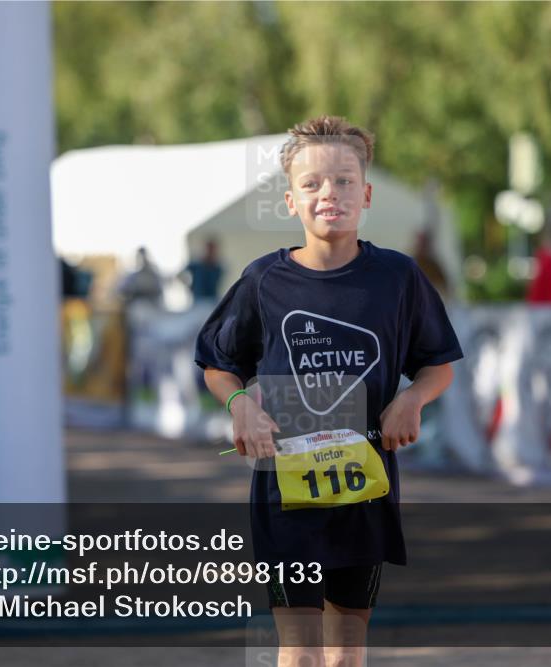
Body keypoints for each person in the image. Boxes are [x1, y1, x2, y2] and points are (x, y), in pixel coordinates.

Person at [195, 116, 462, 667]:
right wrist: (239, 404)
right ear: (290, 200)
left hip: (364, 491)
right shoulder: (263, 281)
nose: (329, 194)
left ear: (364, 194)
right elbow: (217, 363)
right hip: (285, 492)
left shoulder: (397, 278)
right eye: (312, 183)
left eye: (343, 181)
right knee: (300, 652)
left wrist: (412, 399)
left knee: (345, 652)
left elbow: (439, 365)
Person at [181, 237, 225, 304]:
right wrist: (189, 287)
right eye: (209, 249)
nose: (211, 252)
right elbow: (181, 275)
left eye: (213, 249)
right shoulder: (195, 265)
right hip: (198, 300)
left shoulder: (218, 267)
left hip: (212, 300)